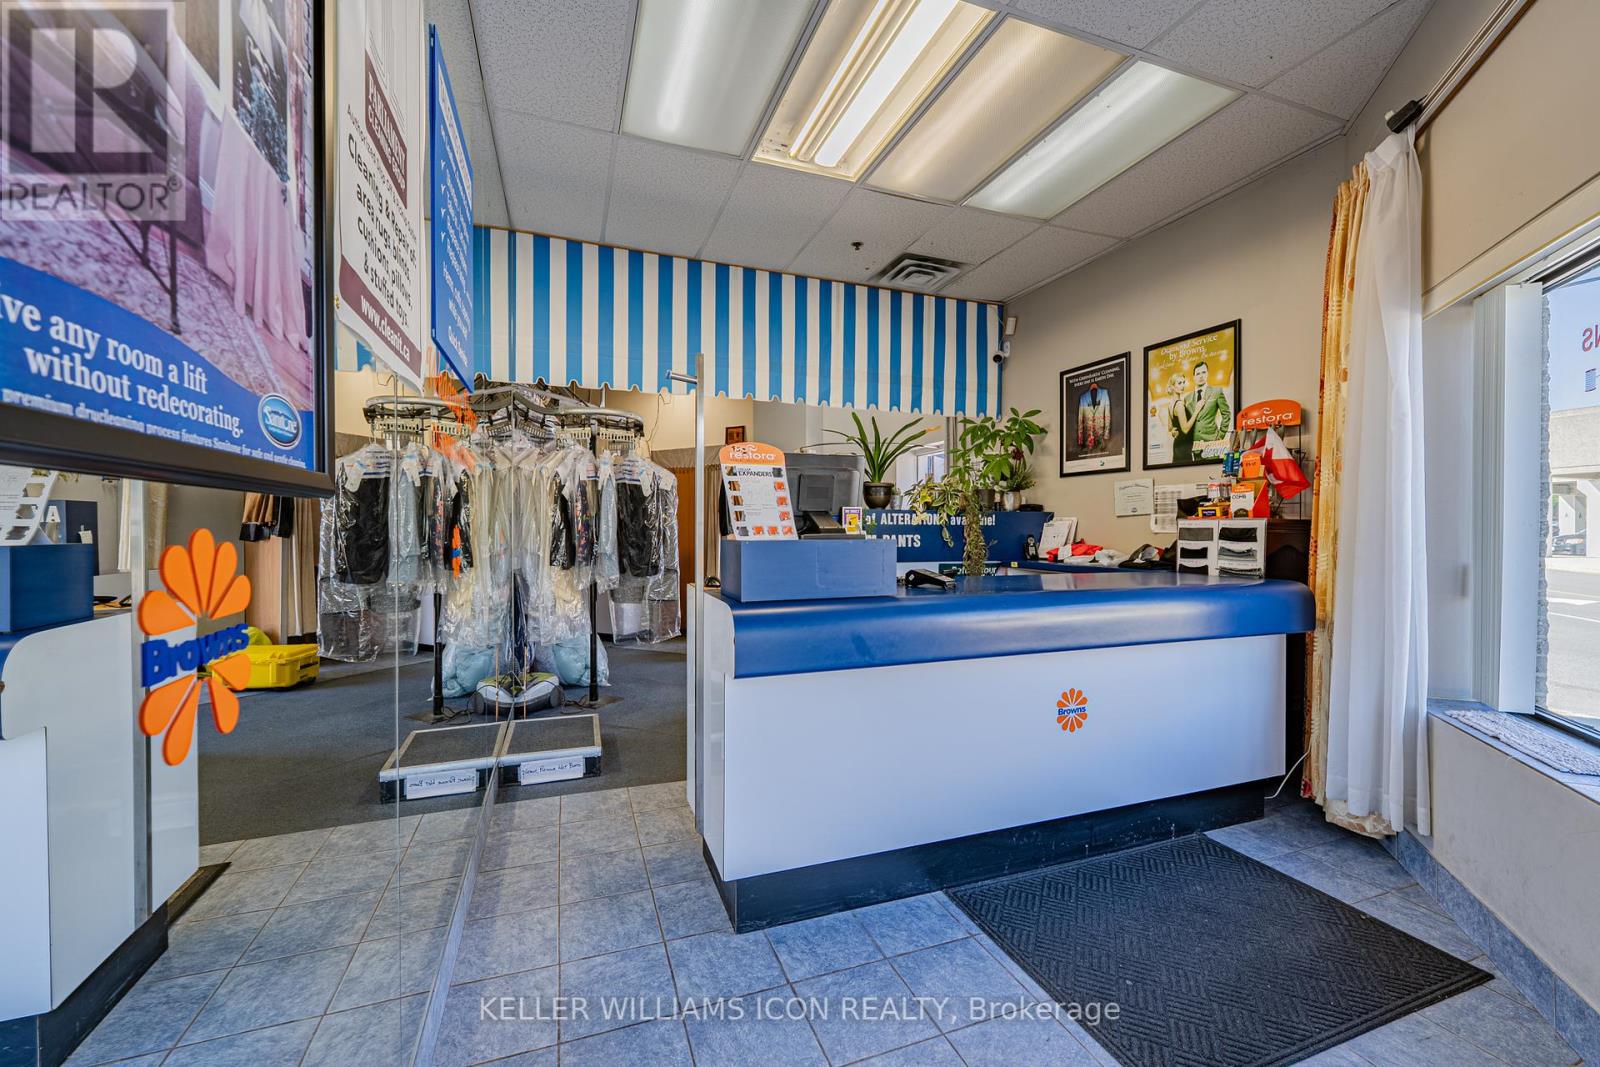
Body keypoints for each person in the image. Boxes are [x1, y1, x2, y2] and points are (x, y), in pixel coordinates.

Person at [1188, 361, 1232, 455]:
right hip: (1194, 446)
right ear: (1194, 377)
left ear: (1207, 374)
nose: (1201, 376)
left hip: (1212, 444)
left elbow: (1226, 414)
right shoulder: (1187, 398)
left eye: (1203, 372)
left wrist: (1220, 437)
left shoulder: (1217, 392)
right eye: (1198, 374)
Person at [1076, 381, 1112, 454]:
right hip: (1088, 437)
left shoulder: (1104, 393)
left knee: (1101, 455)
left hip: (1101, 436)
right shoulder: (1083, 397)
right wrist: (1080, 438)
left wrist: (1106, 434)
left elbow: (1107, 414)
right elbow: (1080, 418)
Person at [1168, 372, 1195, 464]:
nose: (1182, 385)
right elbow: (1185, 429)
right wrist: (1196, 411)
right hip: (1184, 447)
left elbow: (1170, 427)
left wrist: (1173, 431)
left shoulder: (1170, 405)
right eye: (1179, 383)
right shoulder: (1179, 404)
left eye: (1183, 382)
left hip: (1177, 446)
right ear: (1172, 386)